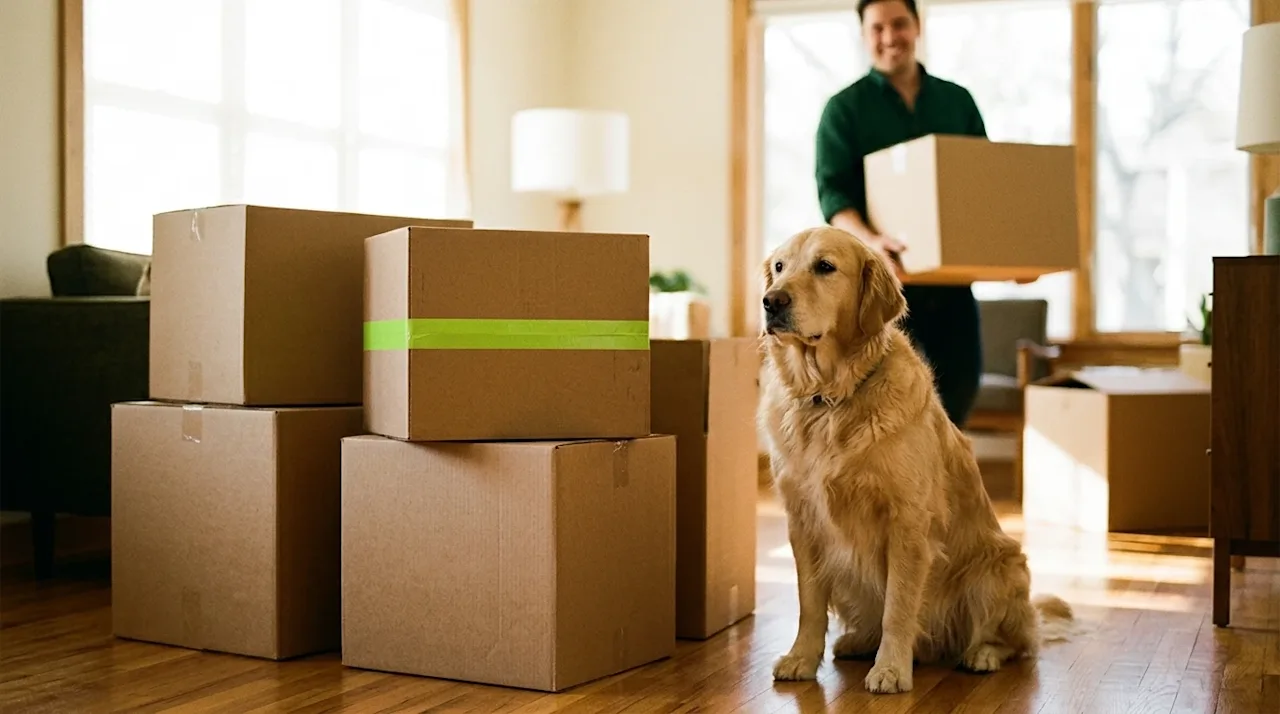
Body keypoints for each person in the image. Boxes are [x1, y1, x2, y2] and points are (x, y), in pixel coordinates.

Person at [814, 0, 987, 427]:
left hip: (951, 288)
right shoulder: (844, 110)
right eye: (878, 28)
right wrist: (872, 242)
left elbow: (985, 187)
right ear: (863, 35)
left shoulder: (957, 101)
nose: (890, 37)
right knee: (885, 408)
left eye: (899, 24)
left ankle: (936, 493)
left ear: (917, 26)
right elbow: (834, 195)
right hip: (880, 290)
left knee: (957, 396)